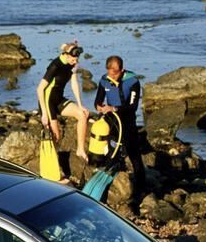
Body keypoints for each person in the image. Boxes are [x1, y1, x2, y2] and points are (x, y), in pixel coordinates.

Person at [95, 55, 146, 205]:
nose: (112, 76)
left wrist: (114, 108)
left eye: (115, 73)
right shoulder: (105, 80)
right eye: (110, 72)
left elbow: (133, 107)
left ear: (122, 70)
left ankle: (142, 187)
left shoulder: (132, 81)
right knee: (112, 154)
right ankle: (110, 187)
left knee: (134, 154)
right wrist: (99, 106)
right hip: (112, 122)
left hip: (128, 120)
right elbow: (98, 99)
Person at [37, 42, 90, 164]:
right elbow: (40, 89)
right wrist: (44, 113)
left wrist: (80, 105)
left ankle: (80, 150)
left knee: (82, 115)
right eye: (73, 59)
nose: (75, 62)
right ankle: (52, 165)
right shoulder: (55, 66)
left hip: (59, 100)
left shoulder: (72, 65)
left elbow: (74, 84)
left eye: (77, 59)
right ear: (66, 55)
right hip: (47, 102)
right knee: (56, 136)